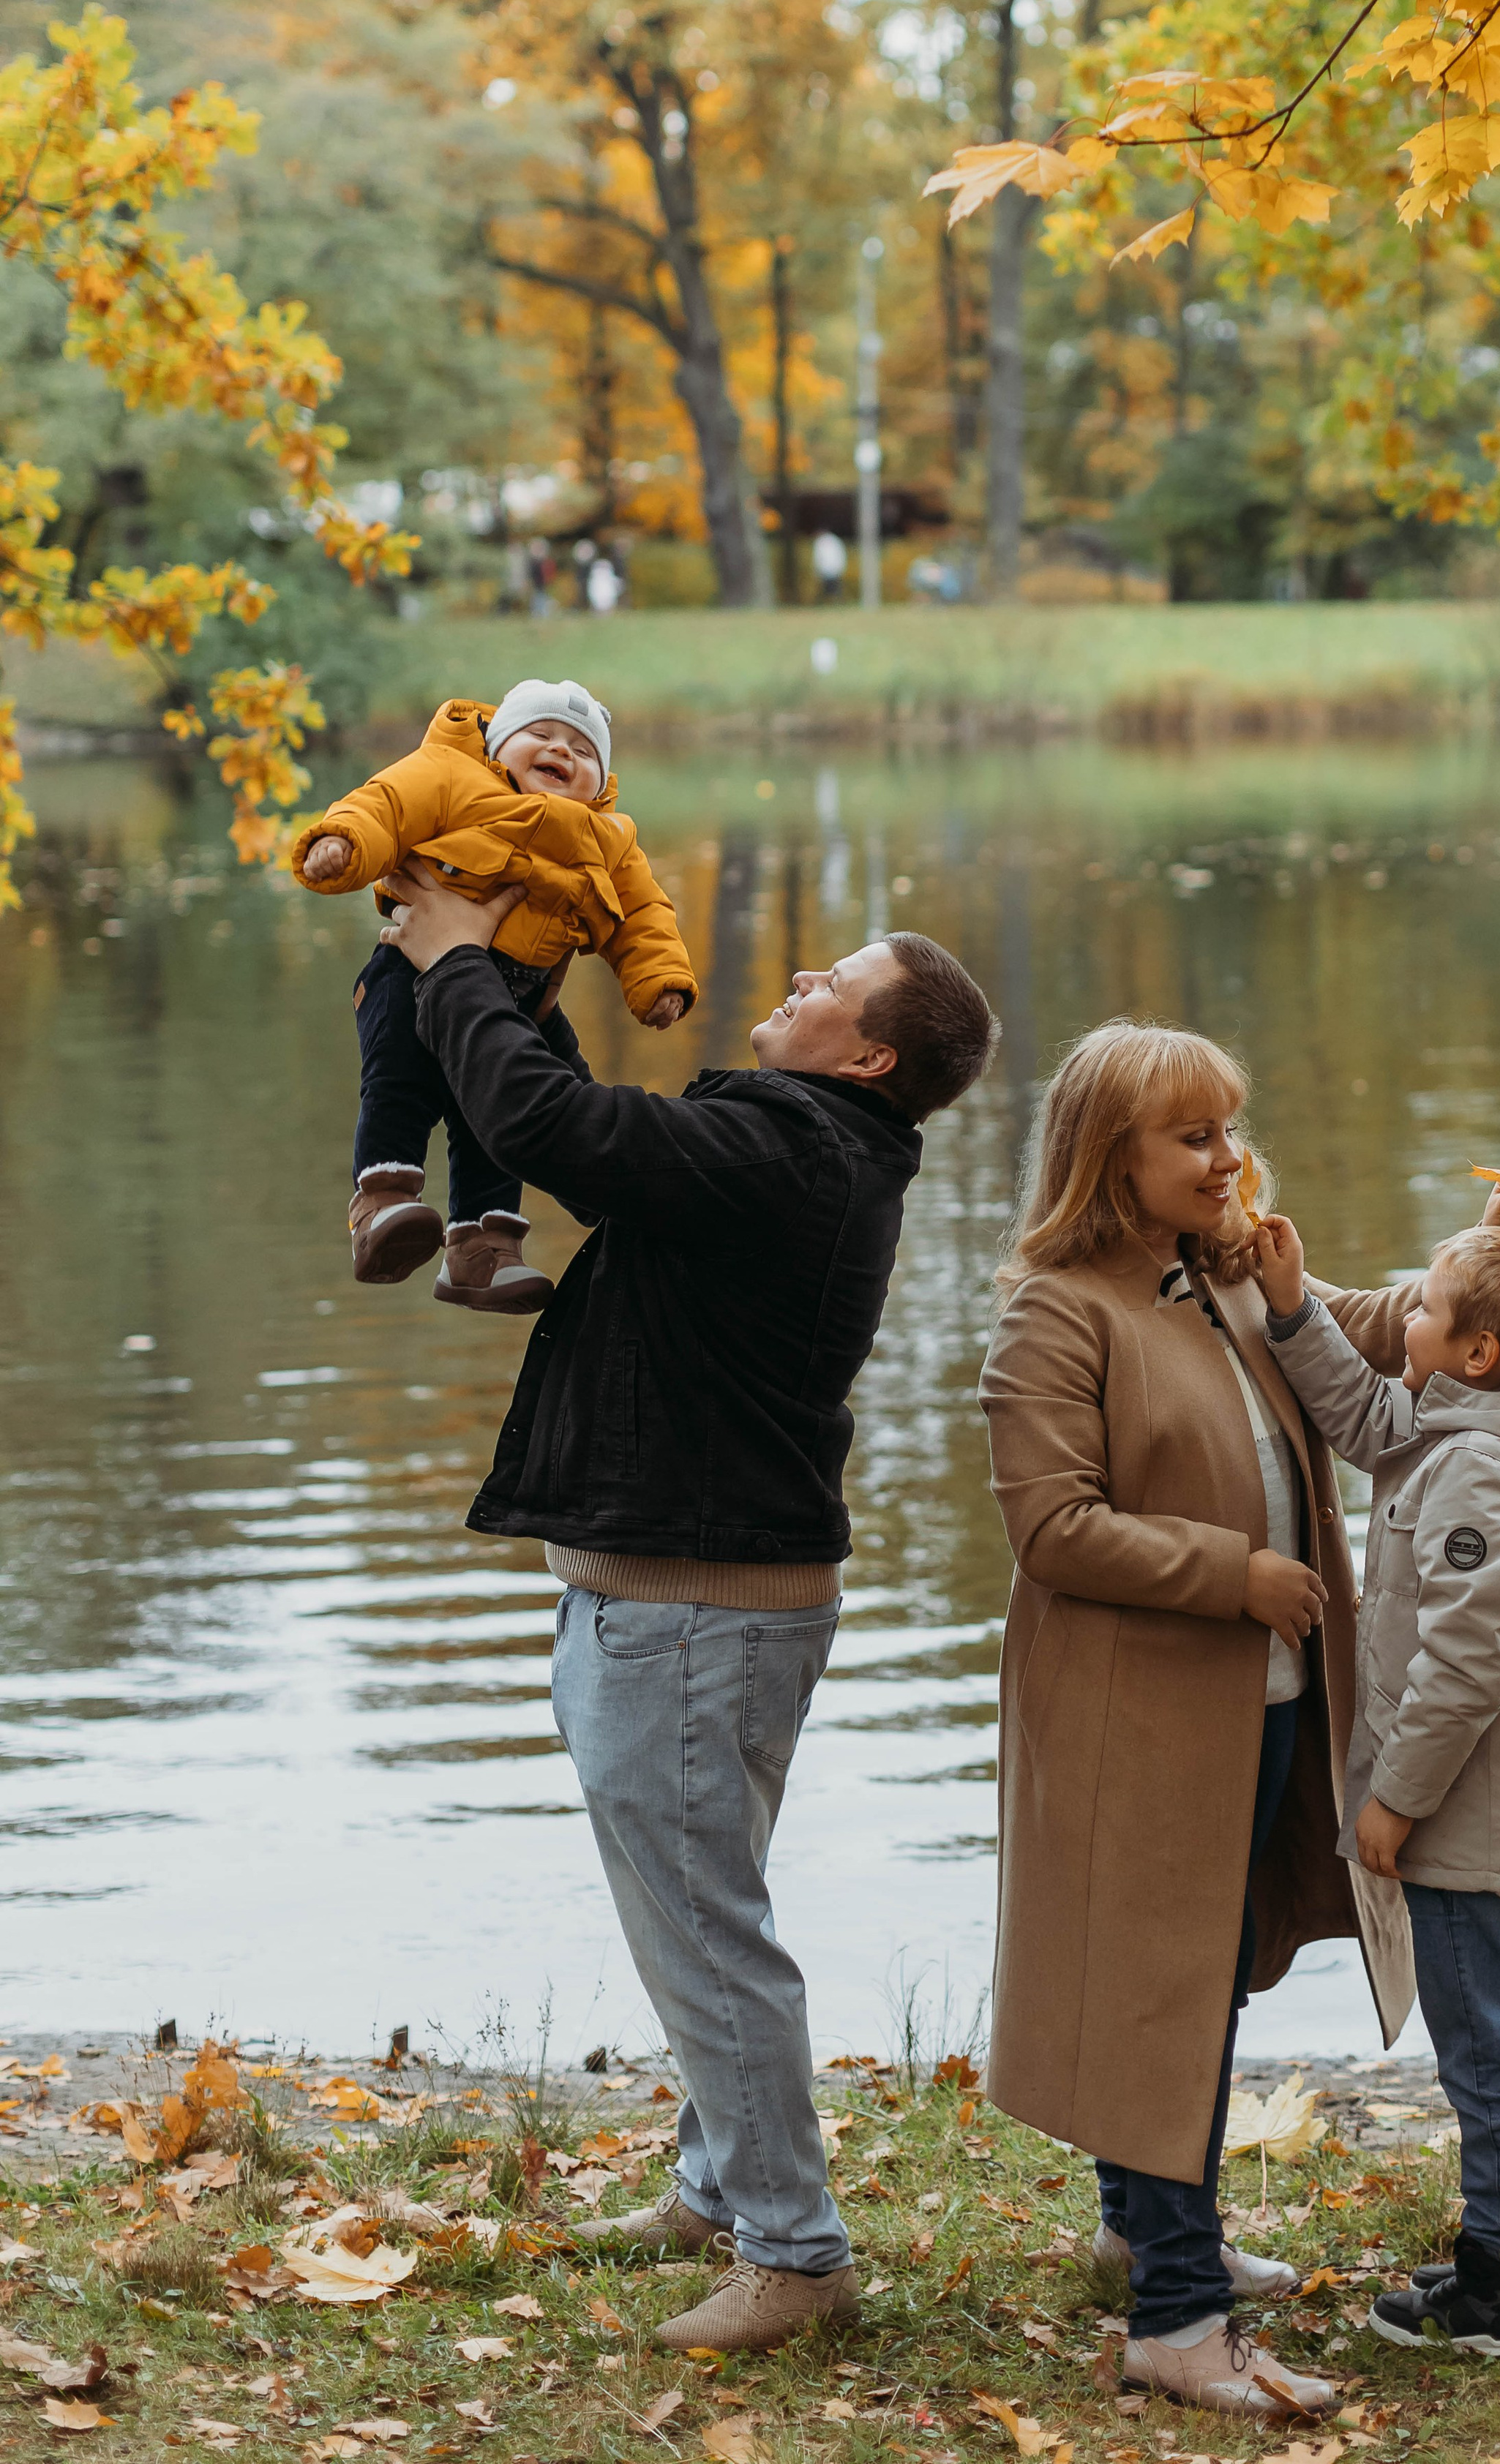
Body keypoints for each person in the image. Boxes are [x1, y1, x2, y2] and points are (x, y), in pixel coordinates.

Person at [377, 868, 999, 2352]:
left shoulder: (793, 1148)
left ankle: (795, 2255)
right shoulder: (794, 1143)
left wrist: (456, 963)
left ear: (865, 1055)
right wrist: (517, 990)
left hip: (693, 1612)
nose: (791, 980)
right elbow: (593, 1140)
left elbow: (552, 1132)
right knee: (696, 1908)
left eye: (823, 985)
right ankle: (722, 2187)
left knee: (708, 1932)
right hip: (693, 1602)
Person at [978, 1019, 1422, 2421]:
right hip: (1137, 1715)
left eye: (1230, 1126)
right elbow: (1056, 1529)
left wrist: (1496, 1248)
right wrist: (1237, 1576)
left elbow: (1376, 1329)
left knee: (1200, 1977)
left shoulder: (1228, 1277)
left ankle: (1139, 2227)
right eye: (1194, 1136)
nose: (1227, 1157)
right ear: (1111, 1157)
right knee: (1162, 1993)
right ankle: (1177, 2319)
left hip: (1266, 1702)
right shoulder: (1057, 1314)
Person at [1257, 1214, 1500, 2361]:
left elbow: (1472, 1665)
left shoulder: (1485, 1465)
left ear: (1477, 1354)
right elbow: (1370, 1418)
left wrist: (1397, 1801)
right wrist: (1292, 1312)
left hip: (1472, 1807)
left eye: (1421, 1308)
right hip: (1493, 1801)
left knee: (1486, 2045)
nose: (1402, 1321)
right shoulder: (1475, 1421)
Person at [293, 680, 696, 1312]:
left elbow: (645, 913)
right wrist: (341, 846)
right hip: (411, 971)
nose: (561, 751)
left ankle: (483, 1249)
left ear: (602, 781)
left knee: (501, 1113)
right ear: (496, 744)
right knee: (400, 1078)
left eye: (584, 750)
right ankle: (383, 1204)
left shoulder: (609, 837)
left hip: (527, 999)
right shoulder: (451, 775)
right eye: (541, 735)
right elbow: (384, 806)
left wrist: (659, 981)